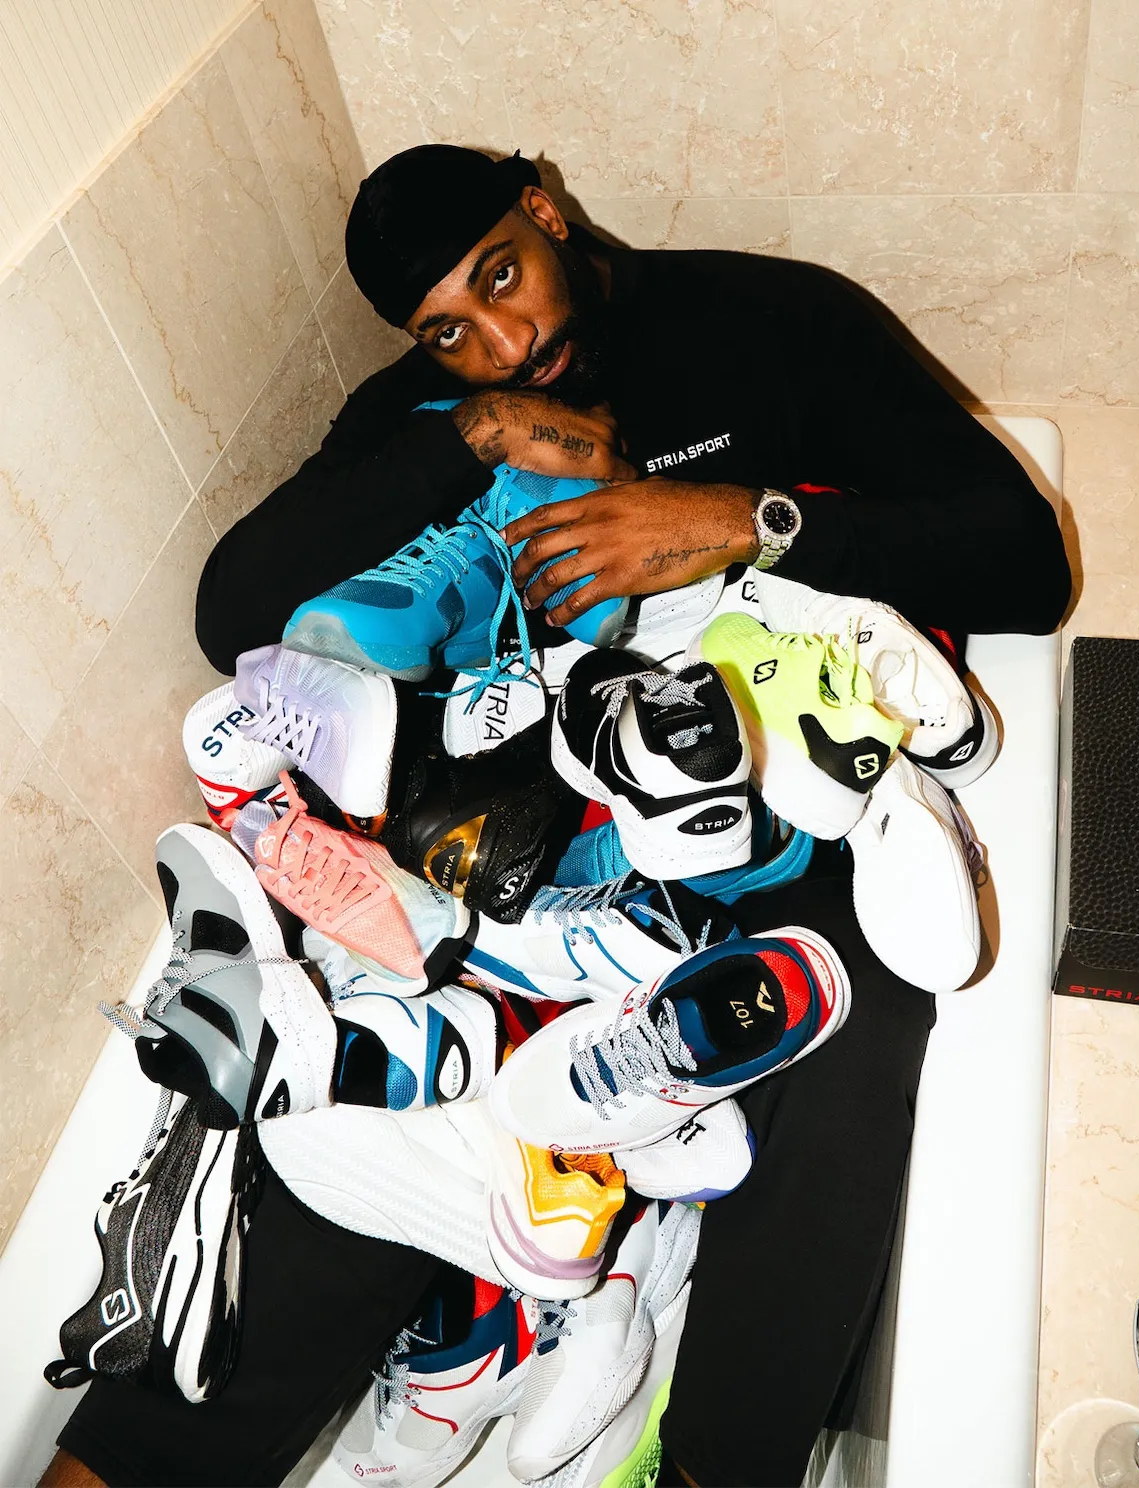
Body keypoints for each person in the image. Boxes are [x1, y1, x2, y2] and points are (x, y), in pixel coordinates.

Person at [45, 144, 1070, 1488]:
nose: (506, 341)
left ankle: (705, 1455)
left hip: (776, 792)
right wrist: (474, 435)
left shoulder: (763, 321)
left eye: (502, 276)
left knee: (852, 1002)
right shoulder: (434, 410)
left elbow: (1021, 556)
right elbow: (234, 609)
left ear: (543, 207)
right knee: (380, 1081)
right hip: (547, 840)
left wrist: (738, 520)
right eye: (448, 332)